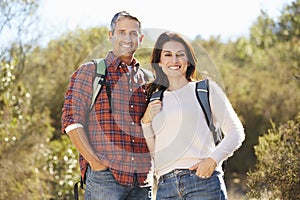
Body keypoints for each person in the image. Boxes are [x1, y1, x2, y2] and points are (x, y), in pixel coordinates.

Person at [141, 32, 245, 199]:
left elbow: (236, 132)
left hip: (202, 182)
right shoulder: (155, 99)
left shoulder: (205, 89)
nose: (174, 60)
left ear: (188, 60)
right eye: (167, 55)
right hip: (166, 188)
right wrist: (145, 123)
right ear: (159, 62)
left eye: (180, 55)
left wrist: (212, 161)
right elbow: (155, 152)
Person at [61, 11, 152, 200]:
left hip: (142, 183)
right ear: (111, 35)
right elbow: (71, 122)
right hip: (106, 180)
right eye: (121, 32)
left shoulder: (148, 80)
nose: (128, 38)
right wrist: (96, 165)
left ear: (140, 38)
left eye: (133, 33)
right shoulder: (90, 71)